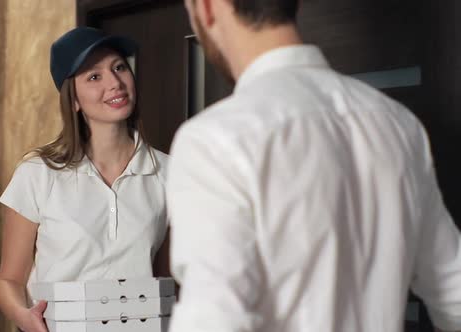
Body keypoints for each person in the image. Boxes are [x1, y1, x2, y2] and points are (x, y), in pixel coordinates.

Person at [166, 1, 461, 331]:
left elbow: (214, 320)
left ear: (207, 8)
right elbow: (454, 290)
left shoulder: (215, 139)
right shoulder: (398, 124)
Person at [0, 27, 170, 332]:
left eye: (119, 67)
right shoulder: (38, 172)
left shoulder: (169, 172)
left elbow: (167, 280)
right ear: (73, 99)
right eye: (94, 76)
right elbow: (8, 281)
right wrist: (26, 318)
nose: (115, 83)